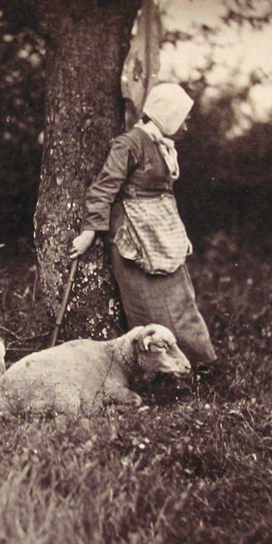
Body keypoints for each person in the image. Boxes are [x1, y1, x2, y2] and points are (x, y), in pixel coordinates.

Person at [70, 82, 216, 367]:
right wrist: (89, 232)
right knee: (147, 306)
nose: (185, 126)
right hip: (133, 235)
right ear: (167, 114)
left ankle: (200, 365)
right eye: (183, 118)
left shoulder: (161, 146)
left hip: (162, 231)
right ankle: (160, 370)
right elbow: (103, 189)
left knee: (181, 301)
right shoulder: (130, 143)